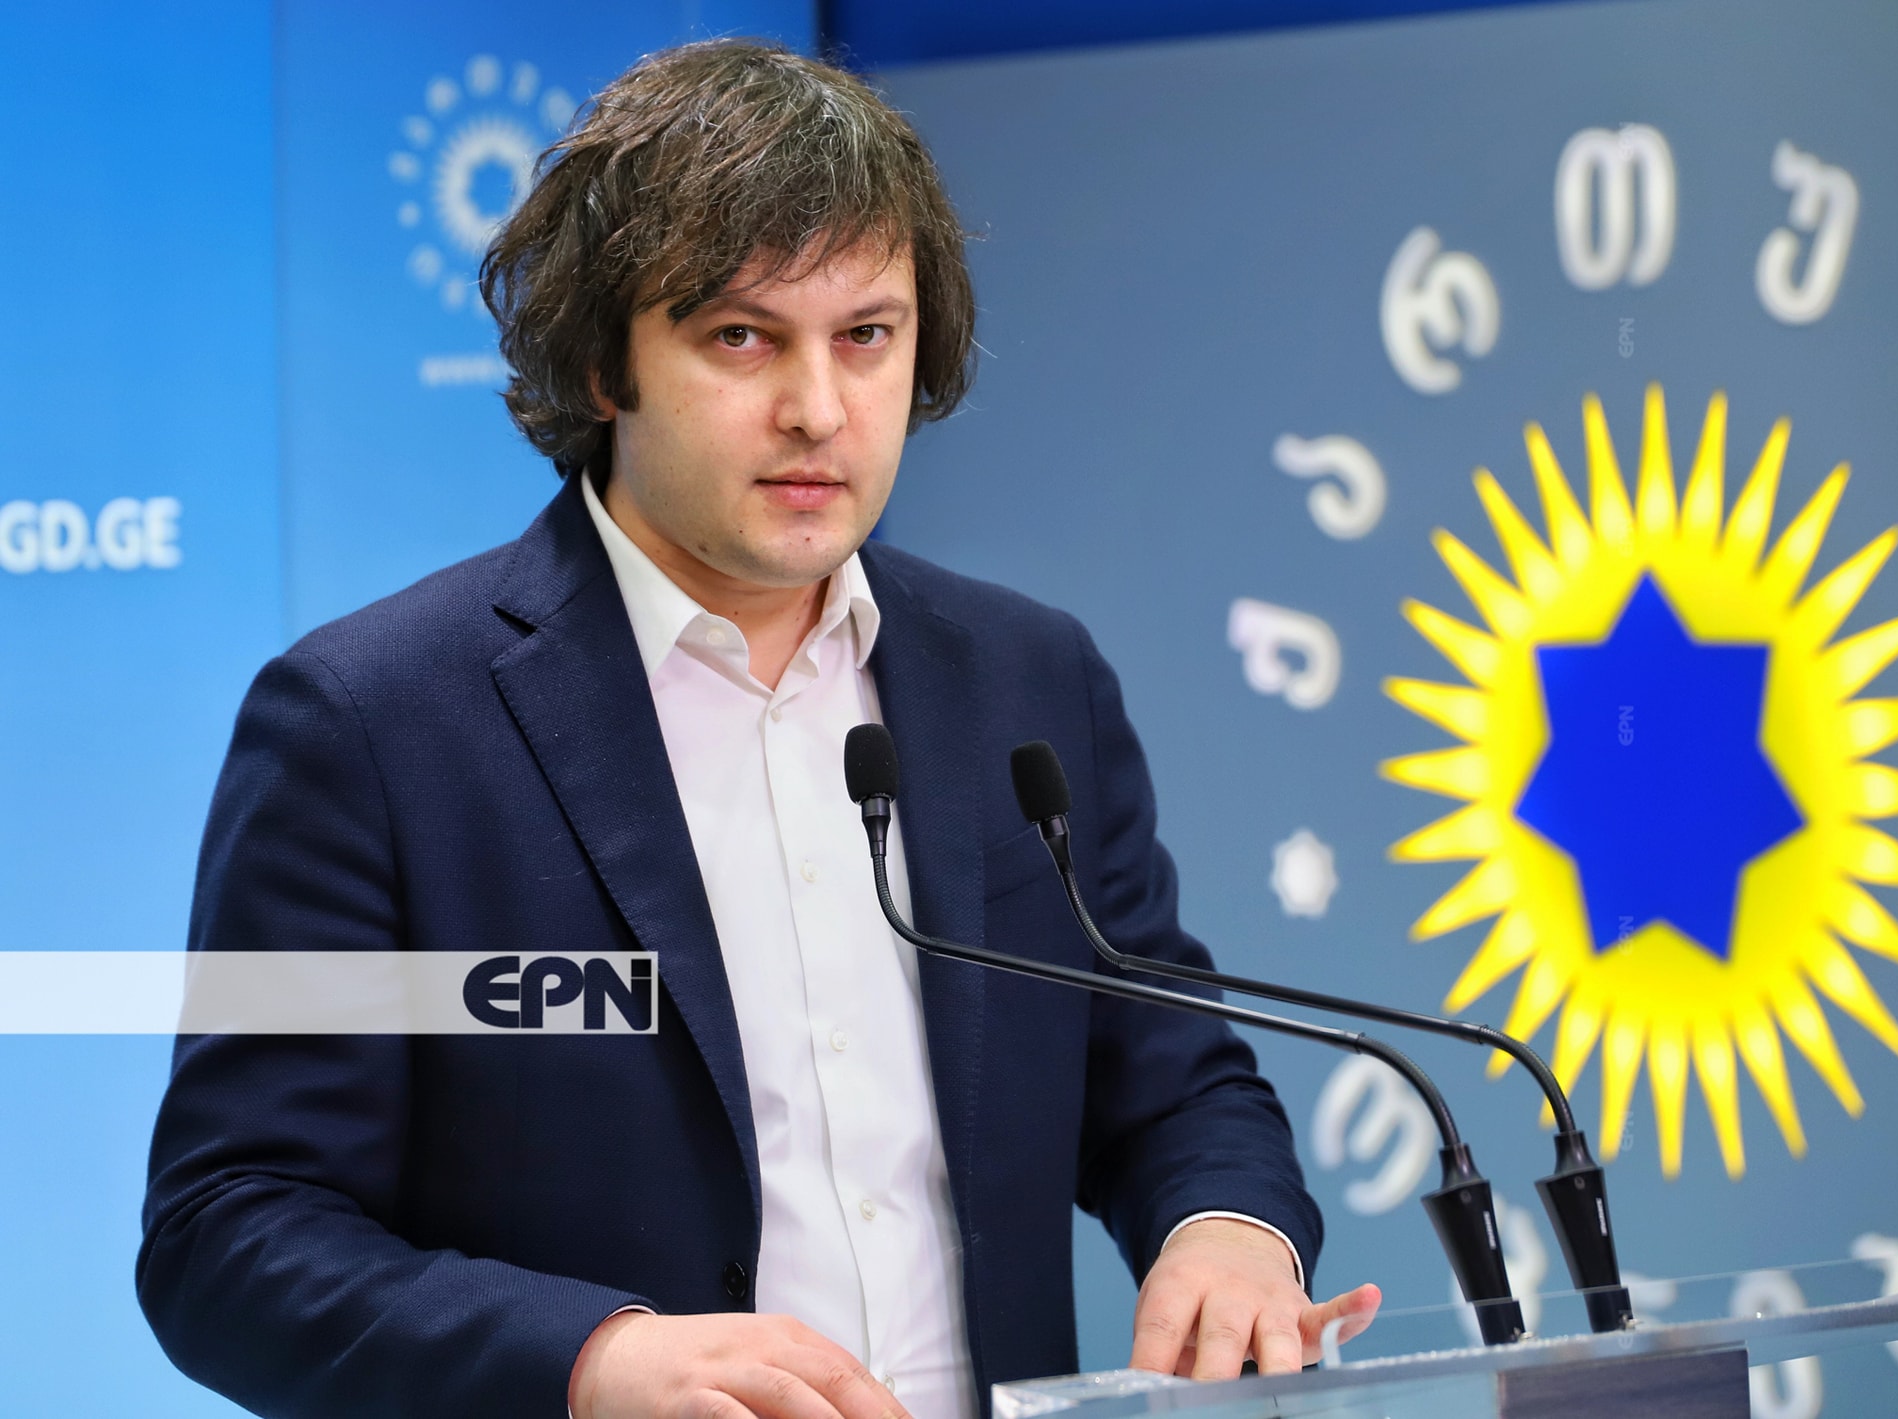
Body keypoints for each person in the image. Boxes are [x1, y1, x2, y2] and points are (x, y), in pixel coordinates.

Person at [138, 41, 1378, 1419]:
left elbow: (1175, 1084)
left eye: (867, 337)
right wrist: (592, 1360)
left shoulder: (1028, 681)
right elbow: (231, 1233)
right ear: (603, 363)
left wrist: (1227, 1228)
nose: (819, 411)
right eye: (741, 337)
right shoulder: (372, 725)